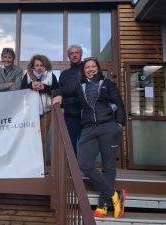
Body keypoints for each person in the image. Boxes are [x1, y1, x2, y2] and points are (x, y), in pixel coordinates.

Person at [52, 57, 126, 219]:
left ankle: (103, 204)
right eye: (87, 67)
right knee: (84, 164)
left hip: (108, 127)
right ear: (83, 70)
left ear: (98, 69)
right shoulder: (79, 86)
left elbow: (119, 104)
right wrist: (58, 97)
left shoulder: (108, 84)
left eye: (93, 67)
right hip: (89, 128)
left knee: (108, 167)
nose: (90, 69)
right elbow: (61, 89)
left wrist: (119, 124)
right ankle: (115, 195)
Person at [21, 54, 59, 161]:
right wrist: (31, 86)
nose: (39, 67)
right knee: (30, 137)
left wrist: (44, 87)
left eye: (41, 65)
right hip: (30, 111)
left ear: (45, 66)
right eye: (36, 65)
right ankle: (30, 162)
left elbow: (57, 89)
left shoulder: (51, 75)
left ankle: (40, 164)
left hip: (46, 111)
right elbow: (21, 89)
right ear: (33, 66)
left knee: (42, 137)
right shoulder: (28, 75)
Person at [59, 44, 83, 157]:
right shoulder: (64, 74)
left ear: (80, 55)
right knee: (70, 144)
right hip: (69, 114)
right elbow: (59, 90)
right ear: (69, 57)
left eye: (76, 53)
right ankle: (71, 172)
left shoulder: (86, 70)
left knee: (86, 144)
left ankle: (86, 170)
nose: (74, 55)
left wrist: (65, 91)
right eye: (71, 54)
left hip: (85, 114)